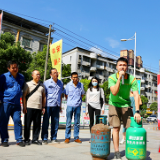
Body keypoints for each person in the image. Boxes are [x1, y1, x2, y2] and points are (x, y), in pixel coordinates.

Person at [108, 57, 141, 160]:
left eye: (124, 65)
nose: (122, 67)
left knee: (131, 128)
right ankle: (117, 152)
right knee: (116, 128)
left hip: (126, 105)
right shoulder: (112, 78)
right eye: (120, 65)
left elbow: (136, 95)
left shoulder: (132, 79)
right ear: (117, 67)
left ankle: (130, 149)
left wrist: (137, 111)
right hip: (114, 104)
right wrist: (119, 78)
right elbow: (114, 92)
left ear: (127, 67)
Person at [0, 61, 26, 147]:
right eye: (13, 67)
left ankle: (19, 139)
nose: (15, 69)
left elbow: (22, 88)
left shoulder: (21, 77)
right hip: (6, 103)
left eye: (16, 67)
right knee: (4, 122)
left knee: (17, 120)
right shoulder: (4, 77)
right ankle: (4, 140)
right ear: (8, 68)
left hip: (17, 104)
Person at [22, 70, 46, 145]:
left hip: (38, 108)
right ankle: (26, 139)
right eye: (37, 74)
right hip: (29, 107)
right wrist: (24, 107)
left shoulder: (42, 85)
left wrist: (43, 107)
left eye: (39, 74)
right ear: (32, 75)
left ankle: (35, 139)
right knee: (27, 124)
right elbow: (24, 96)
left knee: (37, 124)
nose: (38, 76)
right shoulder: (28, 84)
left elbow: (44, 96)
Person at [41, 68, 63, 144]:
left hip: (56, 105)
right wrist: (43, 106)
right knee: (46, 122)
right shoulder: (46, 83)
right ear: (50, 74)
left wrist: (60, 105)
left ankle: (54, 137)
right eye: (54, 73)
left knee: (55, 122)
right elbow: (43, 95)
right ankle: (44, 138)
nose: (56, 74)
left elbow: (61, 95)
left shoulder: (60, 83)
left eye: (56, 73)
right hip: (48, 105)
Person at [64, 72, 85, 144]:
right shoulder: (68, 85)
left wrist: (78, 101)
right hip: (70, 105)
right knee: (68, 122)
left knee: (77, 123)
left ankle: (76, 137)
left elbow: (82, 95)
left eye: (76, 77)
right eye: (74, 77)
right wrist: (70, 101)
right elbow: (66, 95)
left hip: (78, 106)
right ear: (71, 78)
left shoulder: (81, 85)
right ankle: (67, 137)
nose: (75, 78)